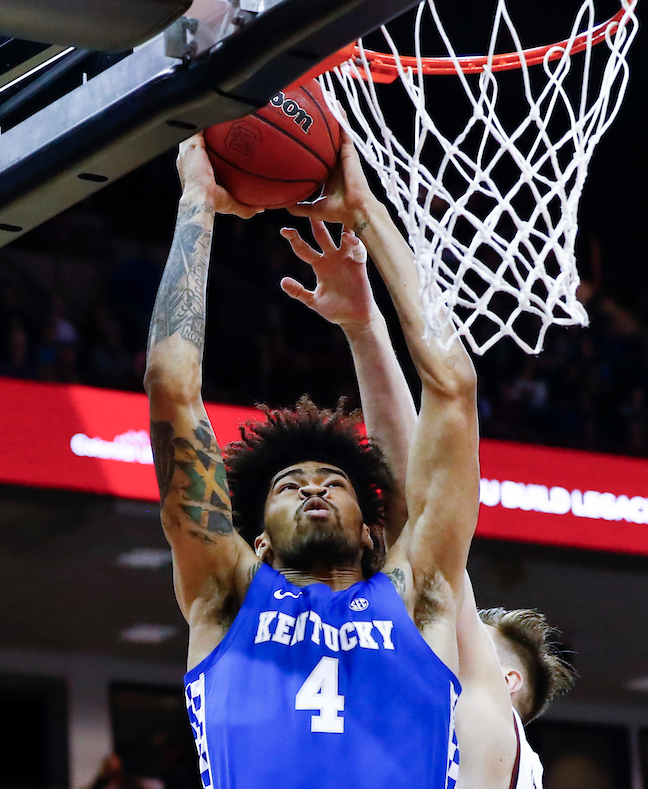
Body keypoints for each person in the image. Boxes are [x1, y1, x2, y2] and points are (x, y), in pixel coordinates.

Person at [144, 131, 480, 789]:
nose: (313, 488)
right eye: (290, 484)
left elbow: (455, 388)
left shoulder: (420, 596)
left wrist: (366, 213)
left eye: (332, 482)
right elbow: (170, 386)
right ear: (259, 537)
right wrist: (197, 204)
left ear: (369, 529)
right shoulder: (225, 594)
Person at [277, 211, 574, 789]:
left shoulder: (482, 728)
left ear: (506, 680)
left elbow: (414, 505)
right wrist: (363, 326)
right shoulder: (426, 729)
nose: (418, 615)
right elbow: (414, 504)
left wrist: (365, 325)